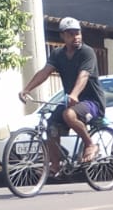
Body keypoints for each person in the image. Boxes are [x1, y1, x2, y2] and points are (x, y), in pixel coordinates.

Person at [18, 17, 105, 169]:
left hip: (92, 102)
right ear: (63, 36)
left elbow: (83, 75)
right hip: (70, 102)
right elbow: (45, 72)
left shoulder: (87, 52)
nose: (76, 37)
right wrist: (27, 89)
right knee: (51, 126)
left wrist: (75, 94)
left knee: (69, 114)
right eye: (71, 34)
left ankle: (90, 144)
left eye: (78, 33)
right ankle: (55, 164)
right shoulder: (58, 54)